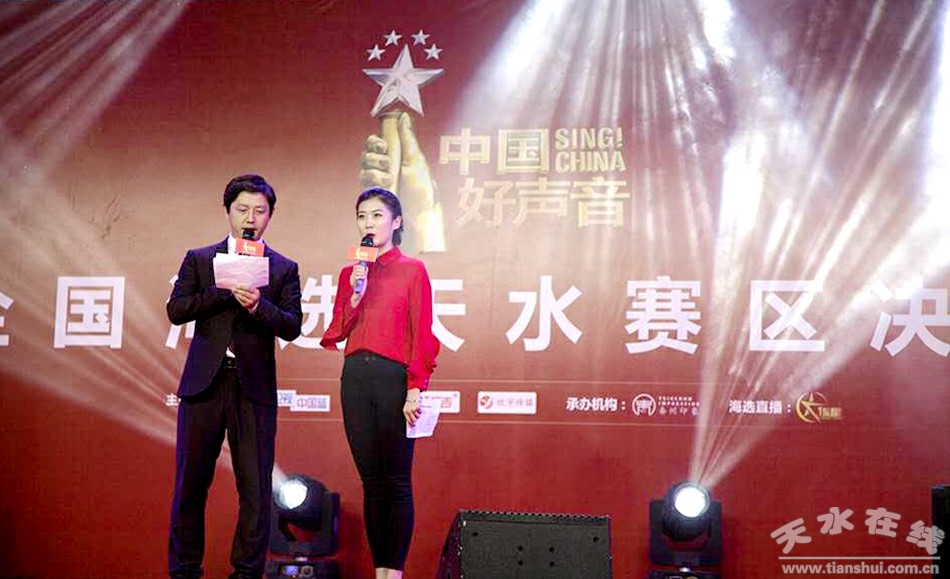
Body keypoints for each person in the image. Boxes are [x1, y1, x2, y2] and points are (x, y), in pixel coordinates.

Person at [167, 174, 303, 579]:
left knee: (256, 490)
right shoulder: (200, 259)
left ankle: (245, 573)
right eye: (242, 209)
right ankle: (184, 571)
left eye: (259, 211)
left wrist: (259, 306)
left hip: (253, 389)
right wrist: (224, 287)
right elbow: (177, 310)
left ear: (270, 216)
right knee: (191, 485)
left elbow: (292, 326)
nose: (250, 218)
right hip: (204, 386)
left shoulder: (283, 268)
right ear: (228, 211)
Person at [321, 186, 440, 579]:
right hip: (356, 377)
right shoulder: (351, 272)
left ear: (396, 221)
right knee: (372, 482)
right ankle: (380, 571)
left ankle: (395, 571)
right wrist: (356, 294)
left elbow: (422, 332)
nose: (368, 223)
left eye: (377, 215)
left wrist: (415, 387)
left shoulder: (412, 270)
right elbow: (337, 330)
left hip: (393, 378)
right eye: (362, 216)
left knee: (396, 481)